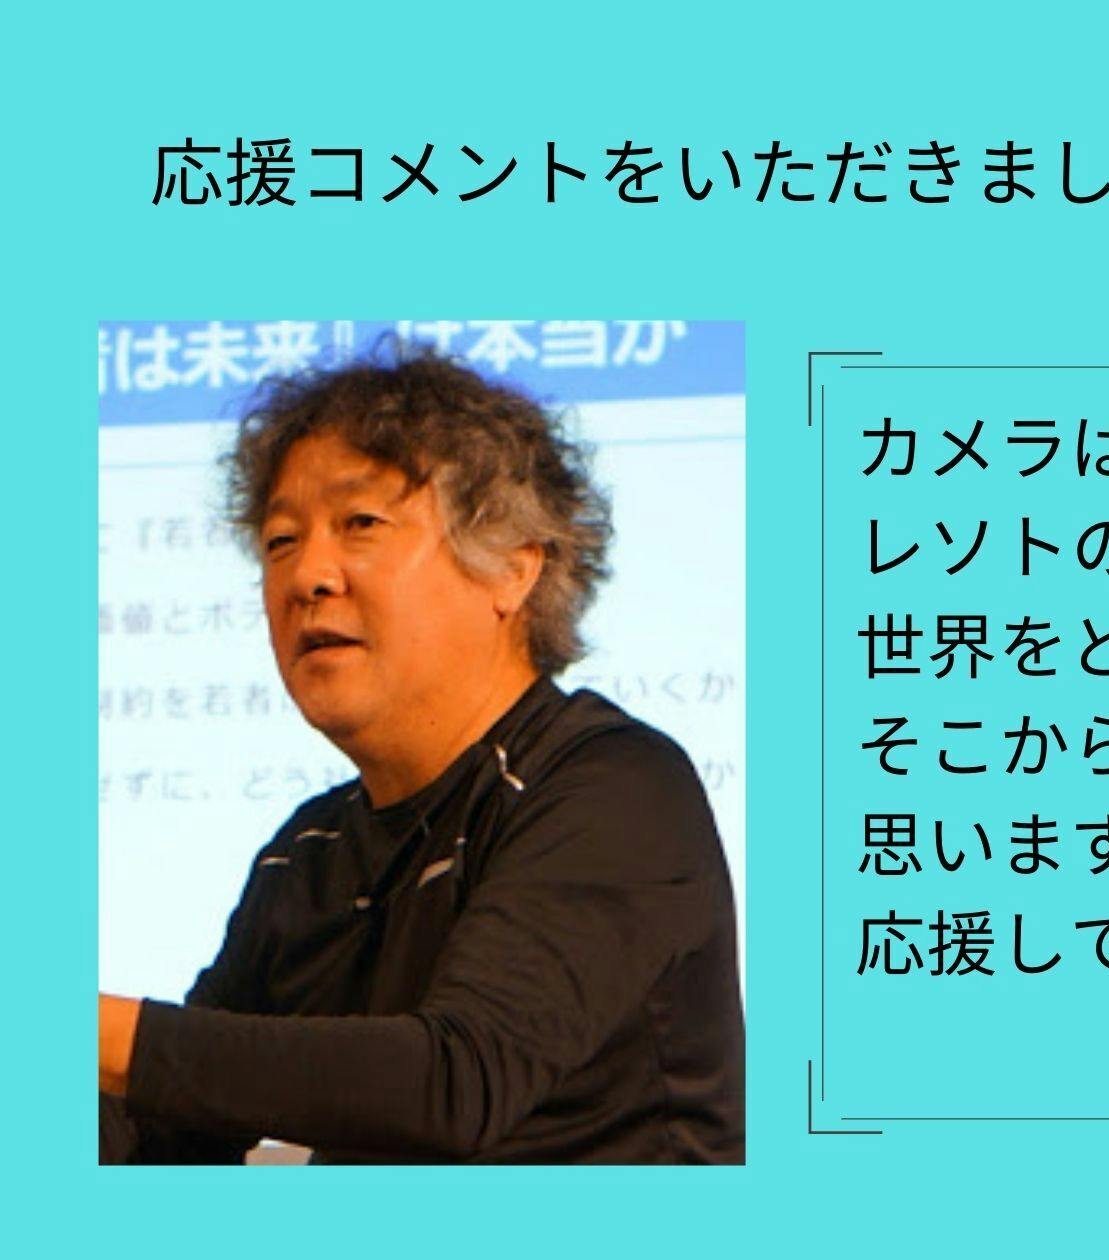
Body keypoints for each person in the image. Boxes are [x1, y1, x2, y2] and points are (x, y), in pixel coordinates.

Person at [97, 343, 744, 1163]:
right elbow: (165, 1130)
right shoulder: (312, 850)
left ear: (512, 569)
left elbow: (454, 1082)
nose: (307, 576)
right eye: (280, 540)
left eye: (360, 524)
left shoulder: (613, 785)